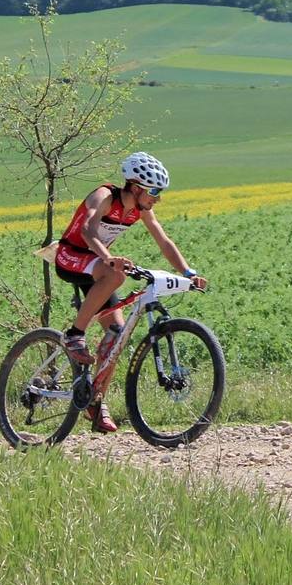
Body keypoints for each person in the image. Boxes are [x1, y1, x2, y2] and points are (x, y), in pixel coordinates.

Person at [52, 151, 208, 433]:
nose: (158, 197)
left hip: (98, 268)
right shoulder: (104, 195)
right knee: (115, 275)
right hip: (71, 256)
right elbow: (88, 230)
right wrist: (108, 257)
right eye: (154, 191)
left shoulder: (142, 209)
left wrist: (188, 273)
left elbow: (163, 240)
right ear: (136, 188)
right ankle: (75, 335)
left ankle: (96, 402)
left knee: (117, 336)